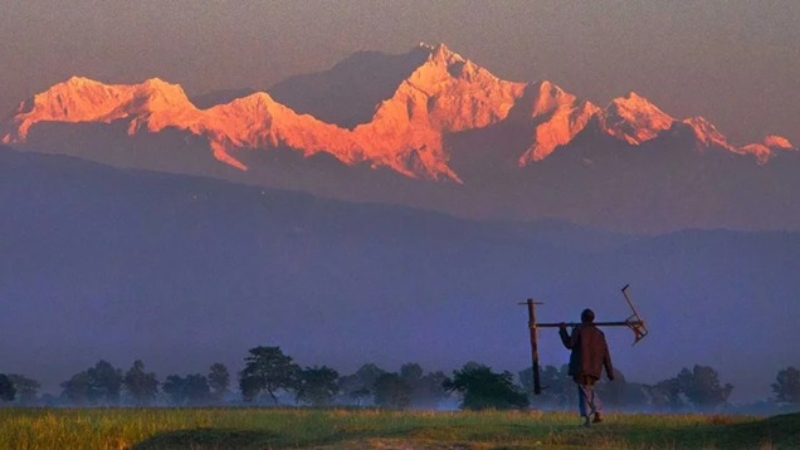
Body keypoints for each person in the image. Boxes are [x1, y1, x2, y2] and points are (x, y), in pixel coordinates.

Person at [559, 308, 614, 427]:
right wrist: (610, 373)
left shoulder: (579, 329)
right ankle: (590, 418)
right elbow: (606, 354)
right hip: (595, 369)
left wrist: (563, 330)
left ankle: (596, 414)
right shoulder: (599, 334)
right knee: (586, 390)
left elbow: (569, 344)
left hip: (581, 367)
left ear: (582, 318)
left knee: (585, 390)